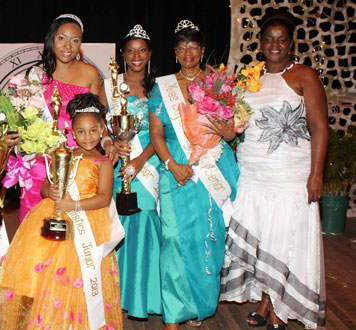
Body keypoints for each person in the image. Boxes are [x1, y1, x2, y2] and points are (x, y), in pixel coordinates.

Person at [219, 8, 327, 330]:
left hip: (289, 177)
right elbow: (234, 126)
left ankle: (278, 309)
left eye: (281, 39)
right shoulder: (249, 78)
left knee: (283, 239)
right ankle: (266, 303)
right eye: (269, 39)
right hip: (253, 175)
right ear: (262, 43)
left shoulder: (305, 76)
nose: (275, 44)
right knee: (264, 240)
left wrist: (316, 173)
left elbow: (320, 127)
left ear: (291, 43)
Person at [0, 93, 123, 330]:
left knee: (79, 278)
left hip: (87, 223)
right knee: (50, 276)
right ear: (72, 133)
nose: (87, 137)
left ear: (102, 129)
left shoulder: (104, 163)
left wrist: (72, 206)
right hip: (53, 217)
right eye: (81, 132)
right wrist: (50, 190)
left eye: (93, 131)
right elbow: (44, 186)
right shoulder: (63, 155)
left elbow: (103, 199)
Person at [148, 20, 239, 329]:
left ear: (202, 51)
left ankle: (196, 306)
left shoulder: (219, 84)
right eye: (181, 47)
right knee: (173, 238)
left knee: (207, 238)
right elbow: (156, 133)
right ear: (175, 52)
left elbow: (230, 127)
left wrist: (228, 130)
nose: (188, 53)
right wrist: (172, 164)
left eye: (193, 47)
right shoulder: (163, 86)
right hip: (176, 168)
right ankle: (173, 314)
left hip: (210, 166)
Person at [4, 13, 104, 222]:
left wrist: (108, 141)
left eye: (75, 40)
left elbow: (99, 117)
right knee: (35, 225)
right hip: (41, 162)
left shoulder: (90, 73)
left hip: (78, 158)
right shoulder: (34, 75)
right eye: (62, 38)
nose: (68, 45)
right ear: (51, 38)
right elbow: (20, 120)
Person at [102, 24, 162, 319]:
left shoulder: (159, 87)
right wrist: (111, 141)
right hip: (117, 163)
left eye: (142, 50)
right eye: (130, 50)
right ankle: (116, 296)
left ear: (149, 54)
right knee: (117, 225)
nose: (136, 56)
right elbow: (99, 123)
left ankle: (141, 297)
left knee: (144, 222)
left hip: (148, 165)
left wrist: (141, 161)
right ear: (122, 54)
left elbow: (162, 133)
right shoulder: (108, 86)